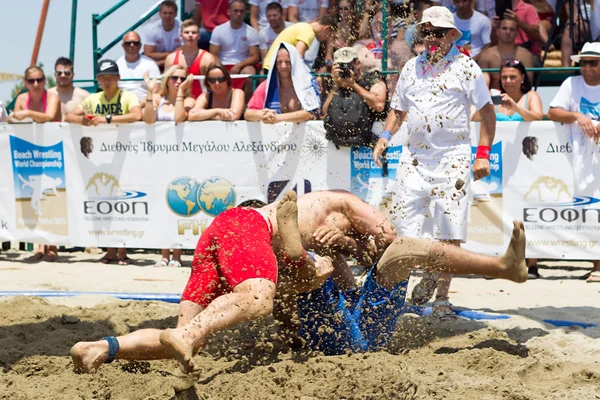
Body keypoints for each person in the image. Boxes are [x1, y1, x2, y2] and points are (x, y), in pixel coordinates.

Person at [70, 190, 528, 372]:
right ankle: (295, 254)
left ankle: (105, 347)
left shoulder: (344, 214)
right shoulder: (305, 217)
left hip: (352, 315)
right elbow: (286, 323)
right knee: (299, 279)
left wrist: (344, 246)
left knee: (394, 251)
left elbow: (384, 241)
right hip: (341, 328)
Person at [372, 6, 496, 319]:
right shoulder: (411, 67)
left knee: (449, 227)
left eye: (440, 32)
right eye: (428, 31)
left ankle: (441, 298)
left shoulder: (467, 67)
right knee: (405, 229)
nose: (434, 37)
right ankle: (402, 296)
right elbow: (398, 110)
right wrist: (386, 135)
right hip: (414, 157)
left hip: (452, 156)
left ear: (453, 34)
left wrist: (482, 154)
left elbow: (488, 112)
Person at [66, 59, 142, 265]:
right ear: (98, 80)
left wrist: (107, 119)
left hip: (126, 154)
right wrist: (83, 120)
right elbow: (69, 116)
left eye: (110, 77)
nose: (107, 81)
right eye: (103, 78)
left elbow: (137, 114)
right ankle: (110, 250)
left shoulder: (127, 96)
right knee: (106, 201)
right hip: (102, 157)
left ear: (118, 78)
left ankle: (123, 250)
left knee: (125, 200)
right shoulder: (94, 98)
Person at [547, 42, 600, 282]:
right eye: (583, 62)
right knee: (591, 211)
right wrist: (578, 116)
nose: (587, 67)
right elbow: (553, 112)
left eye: (593, 62)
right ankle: (597, 265)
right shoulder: (571, 83)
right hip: (580, 157)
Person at [10, 67, 61, 262]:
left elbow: (48, 116)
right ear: (26, 83)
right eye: (31, 81)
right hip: (30, 151)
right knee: (35, 198)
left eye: (39, 79)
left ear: (44, 81)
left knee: (54, 198)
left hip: (52, 150)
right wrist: (23, 115)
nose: (36, 84)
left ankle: (53, 245)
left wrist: (28, 113)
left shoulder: (52, 96)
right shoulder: (22, 98)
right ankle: (41, 244)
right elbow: (15, 119)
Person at [322, 46, 387, 147]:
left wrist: (353, 85)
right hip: (340, 145)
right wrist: (335, 86)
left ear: (357, 63)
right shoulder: (337, 83)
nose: (344, 68)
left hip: (369, 144)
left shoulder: (372, 78)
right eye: (340, 65)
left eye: (347, 64)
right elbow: (325, 112)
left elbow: (379, 105)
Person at [246, 43, 321, 123]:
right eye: (279, 62)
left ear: (294, 62)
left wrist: (279, 118)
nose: (283, 66)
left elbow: (311, 113)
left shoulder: (307, 84)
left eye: (288, 62)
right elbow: (248, 114)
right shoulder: (266, 86)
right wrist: (261, 114)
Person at [209, 0, 260, 94]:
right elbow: (213, 55)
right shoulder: (218, 30)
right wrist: (222, 69)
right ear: (229, 12)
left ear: (245, 13)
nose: (238, 14)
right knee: (213, 71)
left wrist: (239, 65)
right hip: (222, 64)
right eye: (235, 11)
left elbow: (255, 57)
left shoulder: (251, 32)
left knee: (250, 73)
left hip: (242, 65)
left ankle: (247, 104)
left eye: (241, 11)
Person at [165, 19, 218, 99]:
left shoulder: (207, 59)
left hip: (201, 104)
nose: (190, 35)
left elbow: (215, 84)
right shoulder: (171, 59)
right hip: (176, 103)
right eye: (186, 32)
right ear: (181, 36)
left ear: (199, 36)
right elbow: (165, 84)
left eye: (193, 32)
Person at [474, 59, 543, 122]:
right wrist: (484, 105)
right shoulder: (493, 96)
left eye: (512, 77)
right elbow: (475, 119)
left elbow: (538, 117)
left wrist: (516, 108)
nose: (508, 81)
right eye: (504, 77)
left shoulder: (531, 96)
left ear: (522, 78)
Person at [261, 15, 336, 72]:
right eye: (329, 36)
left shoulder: (303, 26)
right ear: (327, 28)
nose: (326, 39)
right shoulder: (308, 32)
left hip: (273, 66)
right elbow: (298, 56)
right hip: (275, 69)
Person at [478, 18, 534, 89]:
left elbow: (528, 85)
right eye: (504, 28)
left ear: (517, 34)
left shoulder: (526, 56)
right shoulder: (486, 55)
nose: (508, 32)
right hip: (494, 97)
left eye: (512, 29)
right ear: (498, 32)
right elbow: (482, 86)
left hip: (518, 98)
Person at [116, 31, 161, 104]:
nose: (132, 45)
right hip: (121, 105)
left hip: (145, 105)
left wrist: (140, 106)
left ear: (140, 45)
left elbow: (155, 90)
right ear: (123, 46)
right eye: (128, 43)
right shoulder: (117, 65)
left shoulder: (150, 64)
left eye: (135, 43)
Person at [143, 1, 183, 70]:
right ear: (160, 14)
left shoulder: (182, 28)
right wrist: (169, 55)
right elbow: (148, 54)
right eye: (165, 13)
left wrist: (163, 61)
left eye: (170, 13)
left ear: (176, 14)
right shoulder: (152, 29)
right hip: (159, 63)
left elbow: (184, 50)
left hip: (175, 63)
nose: (167, 16)